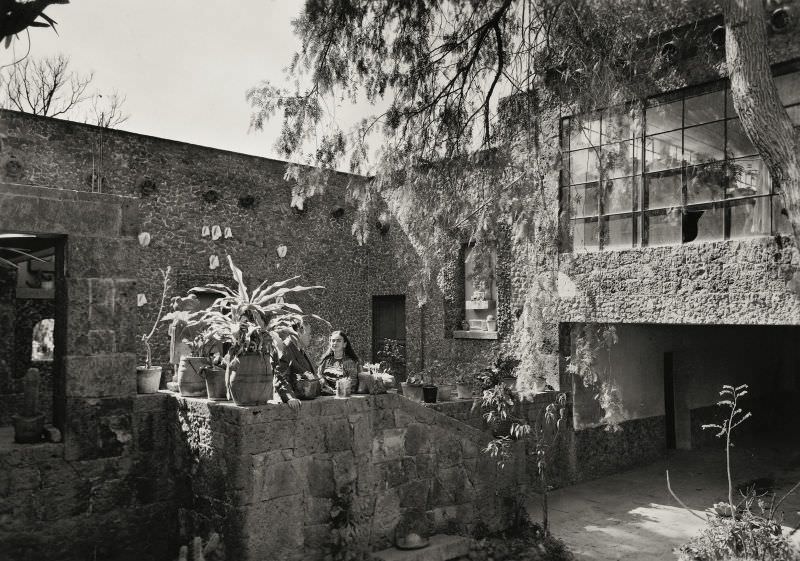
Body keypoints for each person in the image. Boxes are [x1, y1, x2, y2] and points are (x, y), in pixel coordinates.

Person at [272, 319, 317, 410]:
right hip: (293, 406)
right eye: (308, 334)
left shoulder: (301, 350)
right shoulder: (285, 349)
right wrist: (290, 397)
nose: (311, 337)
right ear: (298, 333)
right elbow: (280, 375)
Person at [317, 330, 360, 394]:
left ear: (344, 344)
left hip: (342, 397)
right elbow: (319, 376)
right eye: (333, 341)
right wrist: (325, 385)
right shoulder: (325, 361)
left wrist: (336, 391)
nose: (335, 343)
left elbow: (353, 383)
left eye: (338, 341)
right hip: (325, 395)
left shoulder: (350, 362)